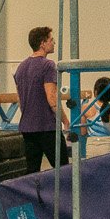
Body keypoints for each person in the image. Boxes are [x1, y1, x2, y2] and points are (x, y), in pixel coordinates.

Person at [14, 26, 63, 173]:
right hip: (46, 126)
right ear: (42, 43)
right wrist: (65, 121)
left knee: (32, 172)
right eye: (51, 40)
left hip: (27, 128)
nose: (54, 43)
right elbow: (52, 98)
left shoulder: (21, 67)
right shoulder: (48, 65)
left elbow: (20, 100)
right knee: (63, 170)